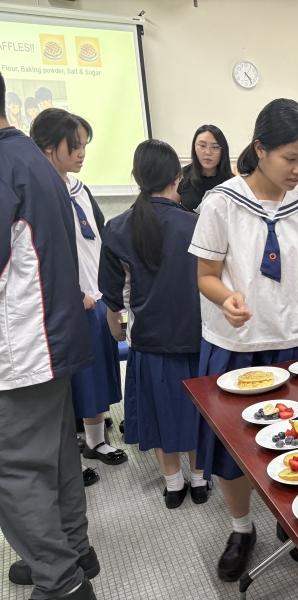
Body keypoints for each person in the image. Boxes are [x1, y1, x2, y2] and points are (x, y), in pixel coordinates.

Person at [189, 98, 298, 580]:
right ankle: (241, 529)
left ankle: (292, 520)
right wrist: (227, 298)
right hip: (234, 347)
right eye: (291, 158)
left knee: (295, 441)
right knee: (232, 451)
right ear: (260, 149)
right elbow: (205, 275)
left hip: (290, 346)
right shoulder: (221, 202)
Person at [0, 72, 98, 600]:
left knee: (15, 470)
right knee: (57, 457)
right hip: (49, 340)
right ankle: (72, 551)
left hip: (20, 349)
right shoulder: (33, 162)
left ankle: (60, 581)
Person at [98, 139, 207, 508]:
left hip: (148, 342)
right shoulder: (195, 224)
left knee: (160, 416)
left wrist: (115, 324)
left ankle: (173, 484)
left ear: (136, 177)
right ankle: (199, 479)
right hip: (195, 339)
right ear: (177, 178)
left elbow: (112, 294)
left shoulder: (117, 227)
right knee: (197, 414)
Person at [30, 108, 127, 470]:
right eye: (75, 145)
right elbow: (43, 254)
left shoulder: (80, 188)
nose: (82, 153)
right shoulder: (39, 191)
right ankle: (73, 450)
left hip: (95, 295)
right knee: (72, 379)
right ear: (49, 145)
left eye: (85, 145)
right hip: (69, 303)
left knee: (97, 371)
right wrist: (74, 294)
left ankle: (94, 439)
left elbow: (99, 238)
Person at [178, 124, 234, 211]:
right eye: (202, 146)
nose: (208, 152)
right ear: (194, 147)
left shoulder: (232, 182)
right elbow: (171, 210)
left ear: (223, 150)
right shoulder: (181, 176)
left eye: (215, 147)